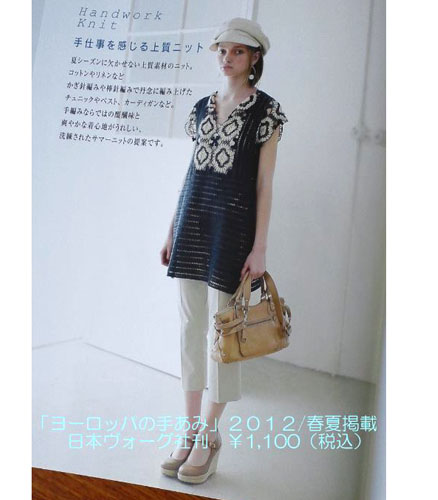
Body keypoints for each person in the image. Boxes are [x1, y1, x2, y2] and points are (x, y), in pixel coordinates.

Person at [160, 17, 288, 484]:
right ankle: (190, 428)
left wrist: (260, 247)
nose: (226, 58)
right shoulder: (200, 109)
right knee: (190, 329)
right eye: (222, 50)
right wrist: (171, 230)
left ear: (255, 58)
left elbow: (265, 184)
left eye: (237, 51)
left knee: (224, 336)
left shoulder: (267, 112)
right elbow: (189, 175)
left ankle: (211, 435)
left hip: (232, 234)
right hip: (192, 228)